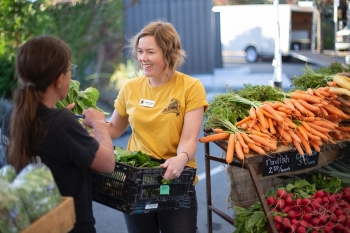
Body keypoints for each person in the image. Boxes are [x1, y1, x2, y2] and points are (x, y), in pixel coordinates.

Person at [1, 35, 115, 233]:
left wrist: (66, 122)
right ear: (59, 79)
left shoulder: (12, 114)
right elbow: (107, 164)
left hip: (35, 224)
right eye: (70, 70)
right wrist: (99, 124)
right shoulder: (61, 123)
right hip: (68, 226)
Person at [107, 20, 209, 233]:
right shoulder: (130, 88)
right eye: (140, 51)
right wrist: (85, 125)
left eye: (150, 52)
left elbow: (189, 139)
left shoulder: (190, 87)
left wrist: (181, 158)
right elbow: (113, 129)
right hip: (138, 180)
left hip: (176, 178)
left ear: (168, 53)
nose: (143, 58)